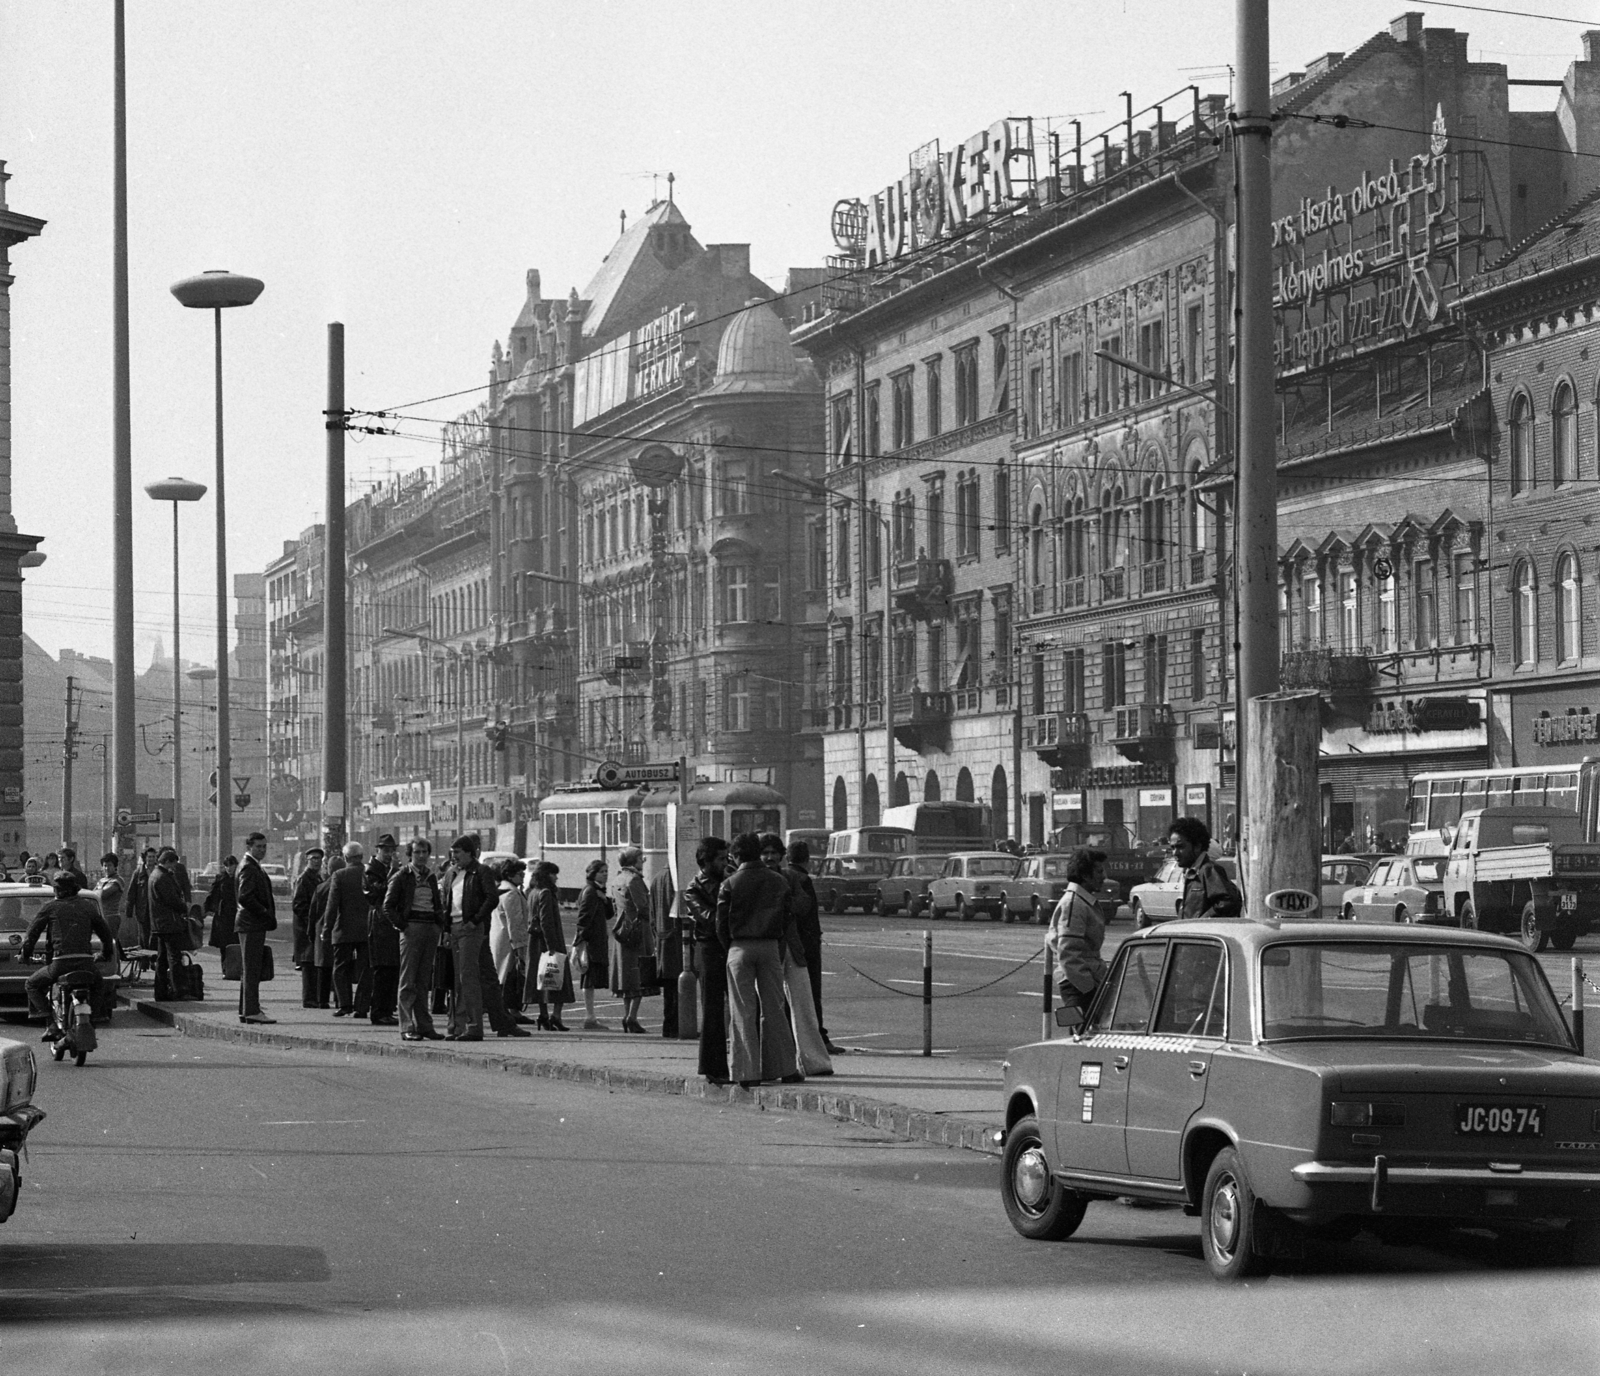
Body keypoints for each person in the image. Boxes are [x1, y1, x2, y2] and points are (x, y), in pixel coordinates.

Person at [716, 832, 800, 1088]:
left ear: (736, 855)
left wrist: (729, 945)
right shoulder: (778, 880)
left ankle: (746, 1072)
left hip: (739, 946)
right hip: (770, 946)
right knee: (774, 1007)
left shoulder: (729, 883)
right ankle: (784, 1068)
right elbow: (787, 915)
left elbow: (721, 923)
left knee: (742, 1010)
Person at [442, 834, 527, 1041]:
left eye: (458, 853)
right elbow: (446, 901)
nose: (454, 857)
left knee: (471, 977)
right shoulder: (452, 873)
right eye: (452, 853)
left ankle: (474, 1026)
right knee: (481, 978)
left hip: (473, 929)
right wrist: (446, 928)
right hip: (457, 928)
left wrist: (475, 920)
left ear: (470, 852)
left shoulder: (480, 871)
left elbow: (490, 898)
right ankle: (497, 1022)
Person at [761, 834, 831, 1077]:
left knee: (803, 1006)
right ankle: (777, 1063)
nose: (769, 857)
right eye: (764, 853)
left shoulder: (790, 876)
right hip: (767, 949)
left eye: (773, 853)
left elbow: (804, 906)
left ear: (782, 855)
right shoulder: (754, 878)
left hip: (791, 947)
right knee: (770, 1008)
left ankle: (814, 1062)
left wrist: (783, 902)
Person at [22, 872, 115, 1034]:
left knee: (31, 984)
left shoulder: (50, 907)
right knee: (98, 984)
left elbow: (32, 933)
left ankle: (50, 1023)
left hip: (59, 963)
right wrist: (105, 954)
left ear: (56, 890)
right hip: (86, 962)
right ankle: (93, 1017)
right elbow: (106, 934)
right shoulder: (88, 906)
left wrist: (25, 954)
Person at [384, 837, 445, 1042]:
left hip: (430, 928)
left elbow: (437, 903)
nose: (421, 856)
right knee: (408, 980)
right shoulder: (402, 876)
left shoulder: (431, 876)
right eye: (417, 852)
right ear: (410, 854)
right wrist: (403, 925)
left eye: (424, 852)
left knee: (423, 981)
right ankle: (407, 1026)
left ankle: (425, 1025)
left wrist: (439, 924)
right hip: (412, 928)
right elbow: (388, 906)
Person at [783, 839, 839, 1055]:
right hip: (807, 943)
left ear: (788, 857)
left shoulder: (784, 875)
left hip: (791, 942)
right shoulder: (803, 879)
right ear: (807, 860)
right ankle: (820, 1038)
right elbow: (807, 913)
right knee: (812, 993)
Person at [682, 836, 730, 1084]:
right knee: (712, 1009)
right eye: (720, 858)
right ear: (705, 861)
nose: (725, 862)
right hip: (709, 949)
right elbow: (709, 918)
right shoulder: (694, 888)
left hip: (727, 947)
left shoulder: (728, 880)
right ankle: (713, 1066)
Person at [1048, 846, 1110, 1018]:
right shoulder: (1074, 903)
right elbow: (1068, 952)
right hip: (1077, 985)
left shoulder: (1081, 901)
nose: (1104, 876)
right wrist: (1088, 987)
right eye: (1098, 871)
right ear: (1084, 875)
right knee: (1080, 1034)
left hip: (1085, 979)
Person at [323, 841, 373, 1018]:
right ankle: (362, 1006)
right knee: (367, 968)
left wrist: (326, 929)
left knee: (340, 967)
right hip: (367, 929)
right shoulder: (369, 874)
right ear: (361, 857)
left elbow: (332, 905)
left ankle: (345, 1004)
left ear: (346, 858)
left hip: (343, 928)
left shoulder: (339, 875)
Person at [609, 847, 653, 1035]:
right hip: (637, 931)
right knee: (639, 973)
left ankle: (627, 1015)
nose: (642, 861)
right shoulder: (635, 880)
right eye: (640, 858)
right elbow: (643, 906)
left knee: (626, 975)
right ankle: (632, 1017)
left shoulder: (618, 879)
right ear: (633, 861)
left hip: (622, 930)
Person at [235, 832, 277, 1024]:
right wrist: (264, 912)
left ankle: (246, 1009)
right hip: (251, 923)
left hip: (249, 923)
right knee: (252, 968)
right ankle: (252, 1010)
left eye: (264, 846)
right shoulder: (249, 868)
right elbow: (245, 896)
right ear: (249, 847)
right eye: (258, 846)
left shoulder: (251, 866)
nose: (262, 850)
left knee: (249, 968)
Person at [1168, 817, 1243, 921]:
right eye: (1172, 848)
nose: (1175, 853)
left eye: (1180, 847)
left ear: (1197, 846)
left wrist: (1201, 922)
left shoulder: (1208, 870)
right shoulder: (1192, 872)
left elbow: (1228, 902)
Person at [526, 860, 571, 1031]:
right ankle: (556, 1016)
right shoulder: (545, 893)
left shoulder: (532, 892)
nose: (556, 877)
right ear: (547, 875)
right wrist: (552, 945)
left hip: (535, 942)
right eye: (553, 874)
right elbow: (546, 921)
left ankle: (543, 1015)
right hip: (549, 941)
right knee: (558, 979)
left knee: (541, 980)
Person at [489, 858, 533, 1023]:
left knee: (506, 976)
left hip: (500, 937)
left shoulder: (504, 889)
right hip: (509, 940)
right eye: (519, 874)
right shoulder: (511, 893)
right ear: (510, 875)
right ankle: (510, 1011)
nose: (522, 876)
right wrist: (519, 945)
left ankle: (511, 1010)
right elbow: (514, 921)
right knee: (511, 976)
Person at [363, 834, 401, 1026]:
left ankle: (386, 1009)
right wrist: (394, 873)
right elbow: (376, 893)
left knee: (391, 969)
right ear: (377, 850)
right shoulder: (372, 870)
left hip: (389, 924)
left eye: (391, 850)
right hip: (380, 925)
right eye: (385, 850)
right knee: (383, 970)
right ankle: (379, 1011)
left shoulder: (386, 869)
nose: (389, 854)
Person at [573, 859, 612, 1029]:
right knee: (588, 977)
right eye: (602, 871)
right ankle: (590, 1017)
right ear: (593, 873)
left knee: (592, 978)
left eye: (606, 871)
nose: (605, 874)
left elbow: (609, 914)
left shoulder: (598, 891)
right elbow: (583, 918)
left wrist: (605, 899)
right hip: (590, 941)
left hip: (597, 940)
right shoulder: (590, 891)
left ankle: (591, 1016)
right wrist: (582, 940)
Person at [149, 848, 192, 1002]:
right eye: (172, 864)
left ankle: (160, 992)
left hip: (160, 924)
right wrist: (184, 907)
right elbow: (172, 900)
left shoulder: (154, 875)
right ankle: (178, 990)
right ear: (167, 862)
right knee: (174, 957)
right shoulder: (162, 878)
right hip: (169, 923)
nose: (174, 868)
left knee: (162, 959)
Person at [291, 847, 327, 1008]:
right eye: (313, 858)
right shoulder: (304, 879)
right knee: (308, 963)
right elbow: (298, 905)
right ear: (307, 861)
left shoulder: (317, 878)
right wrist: (310, 923)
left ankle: (315, 997)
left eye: (319, 858)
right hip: (305, 929)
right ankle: (309, 998)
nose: (316, 861)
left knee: (313, 962)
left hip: (312, 927)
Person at [648, 859, 679, 1038]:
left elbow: (652, 913)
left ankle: (669, 1025)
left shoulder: (657, 878)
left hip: (661, 937)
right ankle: (678, 1025)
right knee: (680, 987)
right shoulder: (678, 879)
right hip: (677, 938)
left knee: (669, 988)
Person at [121, 847, 157, 947]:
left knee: (156, 938)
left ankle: (154, 960)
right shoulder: (138, 873)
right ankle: (144, 961)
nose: (151, 859)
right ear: (145, 858)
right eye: (149, 857)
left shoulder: (158, 872)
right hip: (143, 911)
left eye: (153, 857)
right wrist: (129, 910)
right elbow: (131, 892)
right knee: (143, 938)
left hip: (156, 911)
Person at [205, 855, 239, 954]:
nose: (229, 868)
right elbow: (213, 893)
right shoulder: (221, 878)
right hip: (223, 914)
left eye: (231, 865)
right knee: (223, 944)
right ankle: (225, 968)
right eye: (226, 866)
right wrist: (207, 908)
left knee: (236, 944)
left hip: (236, 914)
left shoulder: (240, 877)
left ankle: (235, 968)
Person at [96, 853, 127, 947]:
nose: (107, 868)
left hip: (111, 917)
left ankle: (116, 962)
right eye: (105, 866)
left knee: (111, 945)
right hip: (101, 916)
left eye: (109, 865)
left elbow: (102, 894)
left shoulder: (118, 880)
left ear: (115, 866)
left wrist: (97, 891)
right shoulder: (101, 880)